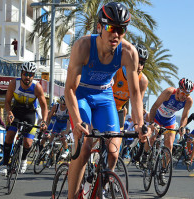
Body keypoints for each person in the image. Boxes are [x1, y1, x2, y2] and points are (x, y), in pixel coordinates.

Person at [64, 2, 150, 198]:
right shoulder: (83, 46)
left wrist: (139, 125)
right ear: (99, 27)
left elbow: (135, 93)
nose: (116, 34)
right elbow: (69, 88)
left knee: (113, 152)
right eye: (111, 28)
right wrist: (77, 122)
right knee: (85, 147)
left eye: (121, 29)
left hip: (104, 96)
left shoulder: (128, 52)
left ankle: (100, 187)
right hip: (82, 95)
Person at [141, 78, 194, 184]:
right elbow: (154, 107)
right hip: (157, 116)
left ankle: (163, 172)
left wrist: (182, 127)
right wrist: (151, 123)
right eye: (183, 93)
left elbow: (184, 117)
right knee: (152, 137)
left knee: (169, 145)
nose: (184, 96)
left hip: (170, 120)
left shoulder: (188, 101)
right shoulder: (169, 92)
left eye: (187, 94)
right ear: (178, 90)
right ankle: (145, 155)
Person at [0, 62, 48, 176]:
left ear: (33, 75)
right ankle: (5, 165)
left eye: (31, 74)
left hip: (30, 114)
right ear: (21, 73)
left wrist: (44, 121)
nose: (28, 77)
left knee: (27, 142)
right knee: (10, 136)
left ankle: (24, 159)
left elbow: (44, 106)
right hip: (16, 111)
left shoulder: (37, 87)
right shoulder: (13, 83)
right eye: (25, 74)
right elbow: (7, 101)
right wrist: (9, 112)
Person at [112, 43, 149, 129]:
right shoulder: (117, 71)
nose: (140, 66)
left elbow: (136, 106)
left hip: (118, 110)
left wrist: (137, 125)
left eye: (142, 62)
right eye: (137, 60)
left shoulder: (142, 81)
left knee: (115, 141)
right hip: (103, 107)